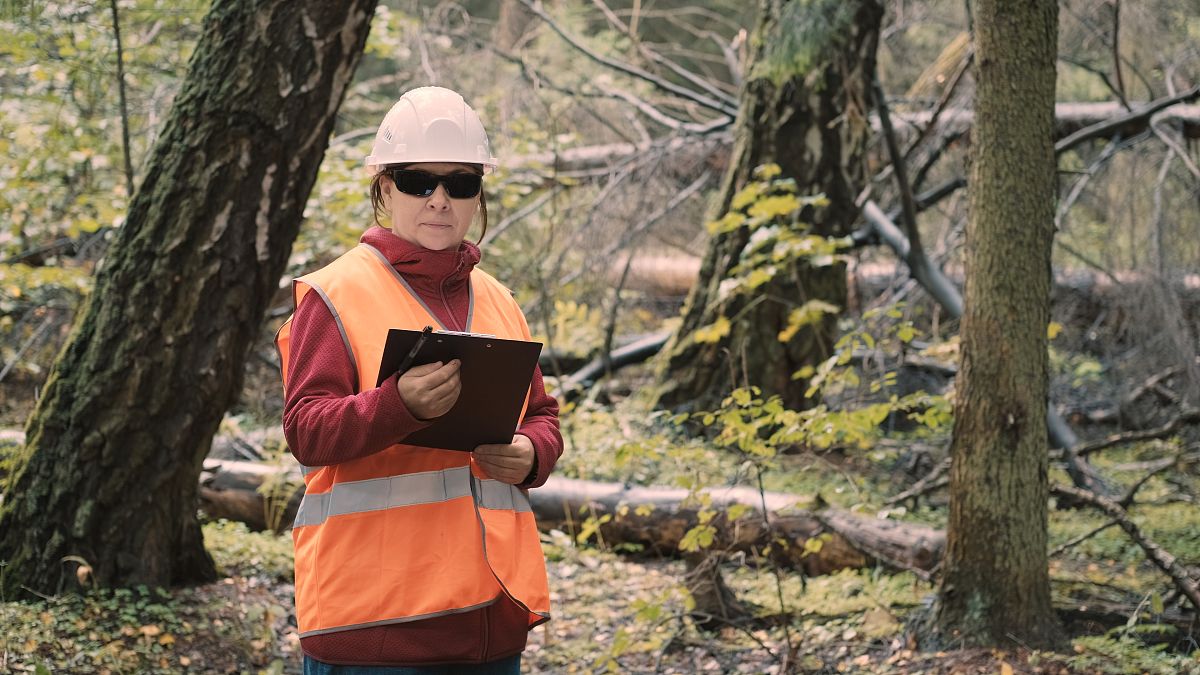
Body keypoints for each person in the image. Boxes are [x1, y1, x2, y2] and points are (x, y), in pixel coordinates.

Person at [275, 86, 562, 674]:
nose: (439, 200)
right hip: (375, 630)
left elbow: (542, 415)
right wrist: (395, 405)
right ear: (384, 188)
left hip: (488, 623)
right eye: (417, 180)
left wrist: (533, 453)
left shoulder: (498, 299)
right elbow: (305, 431)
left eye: (460, 183)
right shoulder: (337, 294)